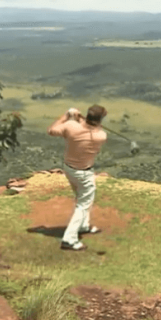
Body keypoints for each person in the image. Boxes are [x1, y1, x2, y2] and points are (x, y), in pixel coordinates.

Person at [47, 105, 108, 250]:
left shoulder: (70, 126)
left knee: (81, 198)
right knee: (83, 204)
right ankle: (69, 239)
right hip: (84, 173)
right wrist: (80, 118)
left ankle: (83, 226)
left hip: (69, 169)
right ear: (100, 119)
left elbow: (51, 130)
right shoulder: (101, 136)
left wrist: (67, 115)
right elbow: (88, 129)